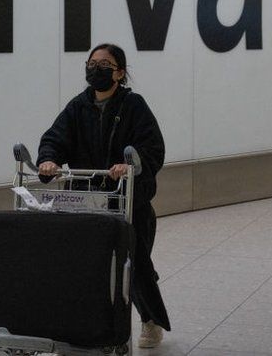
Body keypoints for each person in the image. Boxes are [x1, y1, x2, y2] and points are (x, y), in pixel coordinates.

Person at [36, 42, 171, 349]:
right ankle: (88, 327)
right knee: (85, 267)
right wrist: (49, 160)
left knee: (134, 265)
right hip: (87, 202)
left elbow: (153, 149)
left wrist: (131, 164)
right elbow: (54, 139)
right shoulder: (77, 106)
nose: (96, 69)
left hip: (128, 202)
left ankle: (150, 321)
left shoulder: (133, 106)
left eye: (105, 65)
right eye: (92, 64)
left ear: (119, 73)